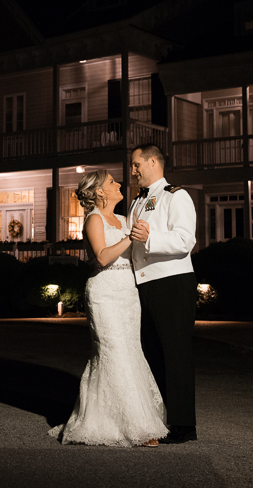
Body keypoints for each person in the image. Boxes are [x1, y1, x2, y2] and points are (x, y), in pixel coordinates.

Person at [49, 170, 168, 447]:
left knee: (129, 350)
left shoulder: (125, 219)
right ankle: (136, 426)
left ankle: (120, 419)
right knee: (112, 351)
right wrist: (131, 237)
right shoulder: (94, 219)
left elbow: (139, 251)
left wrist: (145, 236)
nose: (118, 184)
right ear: (100, 192)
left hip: (128, 291)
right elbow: (102, 256)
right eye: (112, 182)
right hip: (104, 292)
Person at [128, 143, 198, 444]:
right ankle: (160, 420)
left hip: (172, 282)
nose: (132, 171)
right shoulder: (136, 201)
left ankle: (183, 426)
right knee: (152, 353)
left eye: (136, 164)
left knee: (176, 354)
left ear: (153, 161)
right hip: (144, 284)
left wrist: (151, 237)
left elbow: (185, 240)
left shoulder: (177, 195)